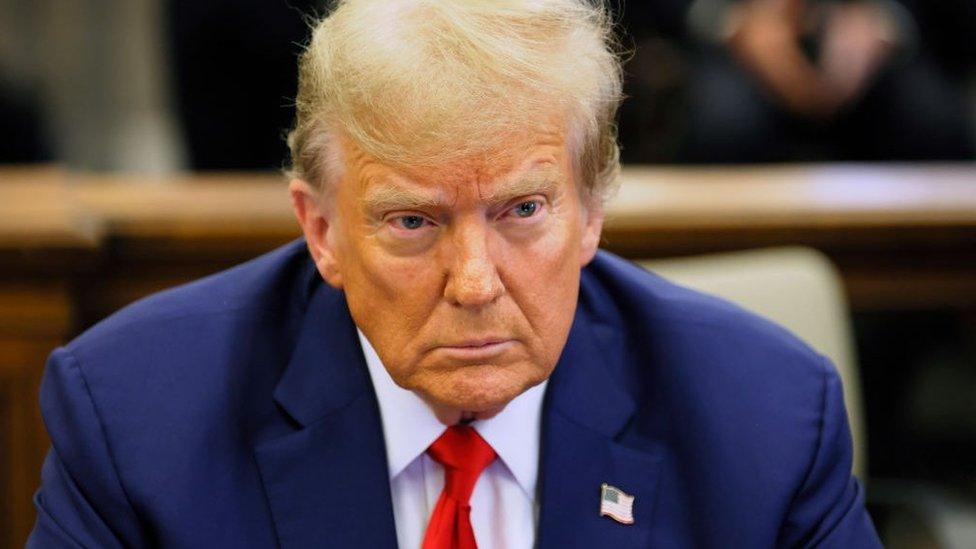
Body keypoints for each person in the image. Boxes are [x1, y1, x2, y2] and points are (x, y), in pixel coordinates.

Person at [28, 1, 881, 547]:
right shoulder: (134, 418)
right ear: (321, 229)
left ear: (590, 214)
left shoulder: (766, 417)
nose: (474, 282)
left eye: (522, 211)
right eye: (412, 221)